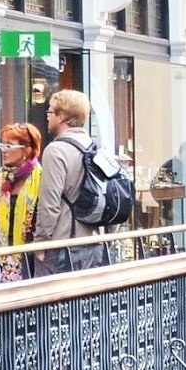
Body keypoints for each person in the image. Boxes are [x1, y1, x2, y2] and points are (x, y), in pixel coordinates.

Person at [32, 91, 113, 276]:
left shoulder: (56, 151)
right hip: (95, 245)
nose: (47, 116)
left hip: (63, 246)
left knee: (50, 302)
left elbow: (49, 204)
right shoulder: (98, 149)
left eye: (50, 112)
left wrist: (41, 243)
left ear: (62, 117)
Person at [0, 122, 45, 282]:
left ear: (26, 149)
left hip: (32, 259)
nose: (3, 150)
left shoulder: (43, 179)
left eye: (9, 146)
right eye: (2, 145)